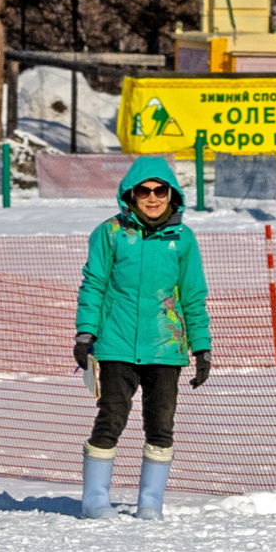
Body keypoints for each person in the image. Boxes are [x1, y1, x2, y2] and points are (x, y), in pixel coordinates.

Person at [73, 156, 211, 520]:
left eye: (160, 190)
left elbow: (193, 295)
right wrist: (85, 334)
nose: (152, 198)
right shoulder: (110, 233)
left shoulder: (183, 239)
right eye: (144, 191)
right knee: (111, 418)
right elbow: (94, 284)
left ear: (172, 194)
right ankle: (95, 500)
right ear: (130, 195)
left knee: (160, 424)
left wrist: (202, 349)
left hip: (166, 347)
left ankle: (150, 502)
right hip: (116, 344)